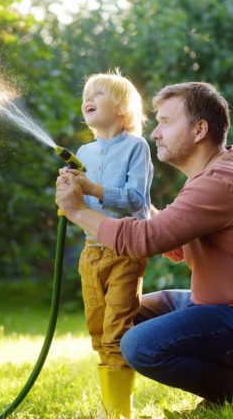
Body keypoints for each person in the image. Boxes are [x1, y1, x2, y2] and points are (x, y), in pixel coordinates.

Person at [56, 81, 233, 413]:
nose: (155, 133)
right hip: (210, 302)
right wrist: (138, 208)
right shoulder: (209, 175)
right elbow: (173, 239)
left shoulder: (217, 182)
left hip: (227, 312)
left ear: (199, 130)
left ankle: (226, 390)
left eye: (166, 122)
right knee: (123, 312)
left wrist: (79, 211)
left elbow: (143, 241)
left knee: (138, 344)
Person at [71, 71, 153, 419]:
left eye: (98, 93)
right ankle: (110, 407)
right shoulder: (83, 151)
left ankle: (119, 412)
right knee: (96, 328)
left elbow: (136, 200)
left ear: (121, 108)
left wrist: (93, 190)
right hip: (91, 252)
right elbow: (76, 204)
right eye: (86, 94)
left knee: (117, 330)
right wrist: (68, 190)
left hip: (125, 252)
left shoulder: (136, 147)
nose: (87, 98)